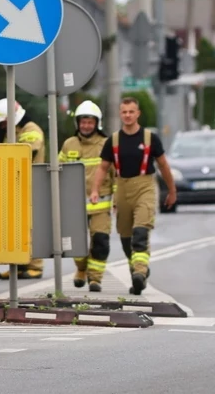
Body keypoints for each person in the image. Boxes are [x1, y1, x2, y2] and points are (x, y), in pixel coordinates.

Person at [91, 96, 176, 295]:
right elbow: (103, 168)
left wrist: (172, 190)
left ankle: (140, 271)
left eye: (131, 112)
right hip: (121, 187)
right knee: (126, 237)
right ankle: (137, 271)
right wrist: (95, 190)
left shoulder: (150, 139)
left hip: (145, 186)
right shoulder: (113, 140)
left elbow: (163, 165)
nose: (128, 115)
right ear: (120, 114)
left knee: (140, 231)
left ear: (138, 114)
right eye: (124, 112)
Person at [59, 100, 115, 292]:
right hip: (74, 206)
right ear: (77, 123)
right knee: (76, 246)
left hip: (101, 205)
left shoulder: (106, 144)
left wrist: (118, 199)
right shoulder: (69, 144)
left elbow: (115, 173)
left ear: (97, 123)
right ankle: (81, 270)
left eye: (90, 122)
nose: (86, 125)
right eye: (83, 122)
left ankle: (95, 278)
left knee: (100, 241)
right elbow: (58, 172)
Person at [0, 98, 45, 280]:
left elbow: (26, 152)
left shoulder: (31, 130)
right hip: (16, 183)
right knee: (16, 227)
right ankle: (19, 265)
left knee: (31, 226)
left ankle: (35, 265)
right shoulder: (13, 131)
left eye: (4, 122)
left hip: (31, 182)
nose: (2, 127)